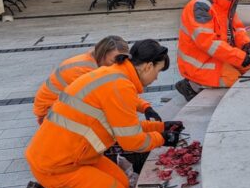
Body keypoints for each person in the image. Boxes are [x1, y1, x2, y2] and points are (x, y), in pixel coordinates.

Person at [17, 39, 180, 188]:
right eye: (158, 71)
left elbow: (125, 127)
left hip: (75, 155)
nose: (156, 79)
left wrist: (161, 126)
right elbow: (132, 141)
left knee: (122, 183)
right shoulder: (120, 87)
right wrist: (163, 138)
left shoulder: (113, 76)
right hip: (58, 165)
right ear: (147, 66)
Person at [32, 35, 161, 125]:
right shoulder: (85, 70)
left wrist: (145, 107)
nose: (118, 64)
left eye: (121, 59)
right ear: (102, 54)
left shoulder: (97, 63)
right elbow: (114, 98)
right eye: (113, 60)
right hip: (47, 113)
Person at [175, 0, 250, 100]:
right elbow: (208, 43)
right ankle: (191, 85)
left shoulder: (225, 2)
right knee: (235, 79)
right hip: (199, 63)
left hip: (216, 55)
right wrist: (238, 57)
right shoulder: (200, 7)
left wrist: (245, 43)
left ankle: (195, 83)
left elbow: (237, 27)